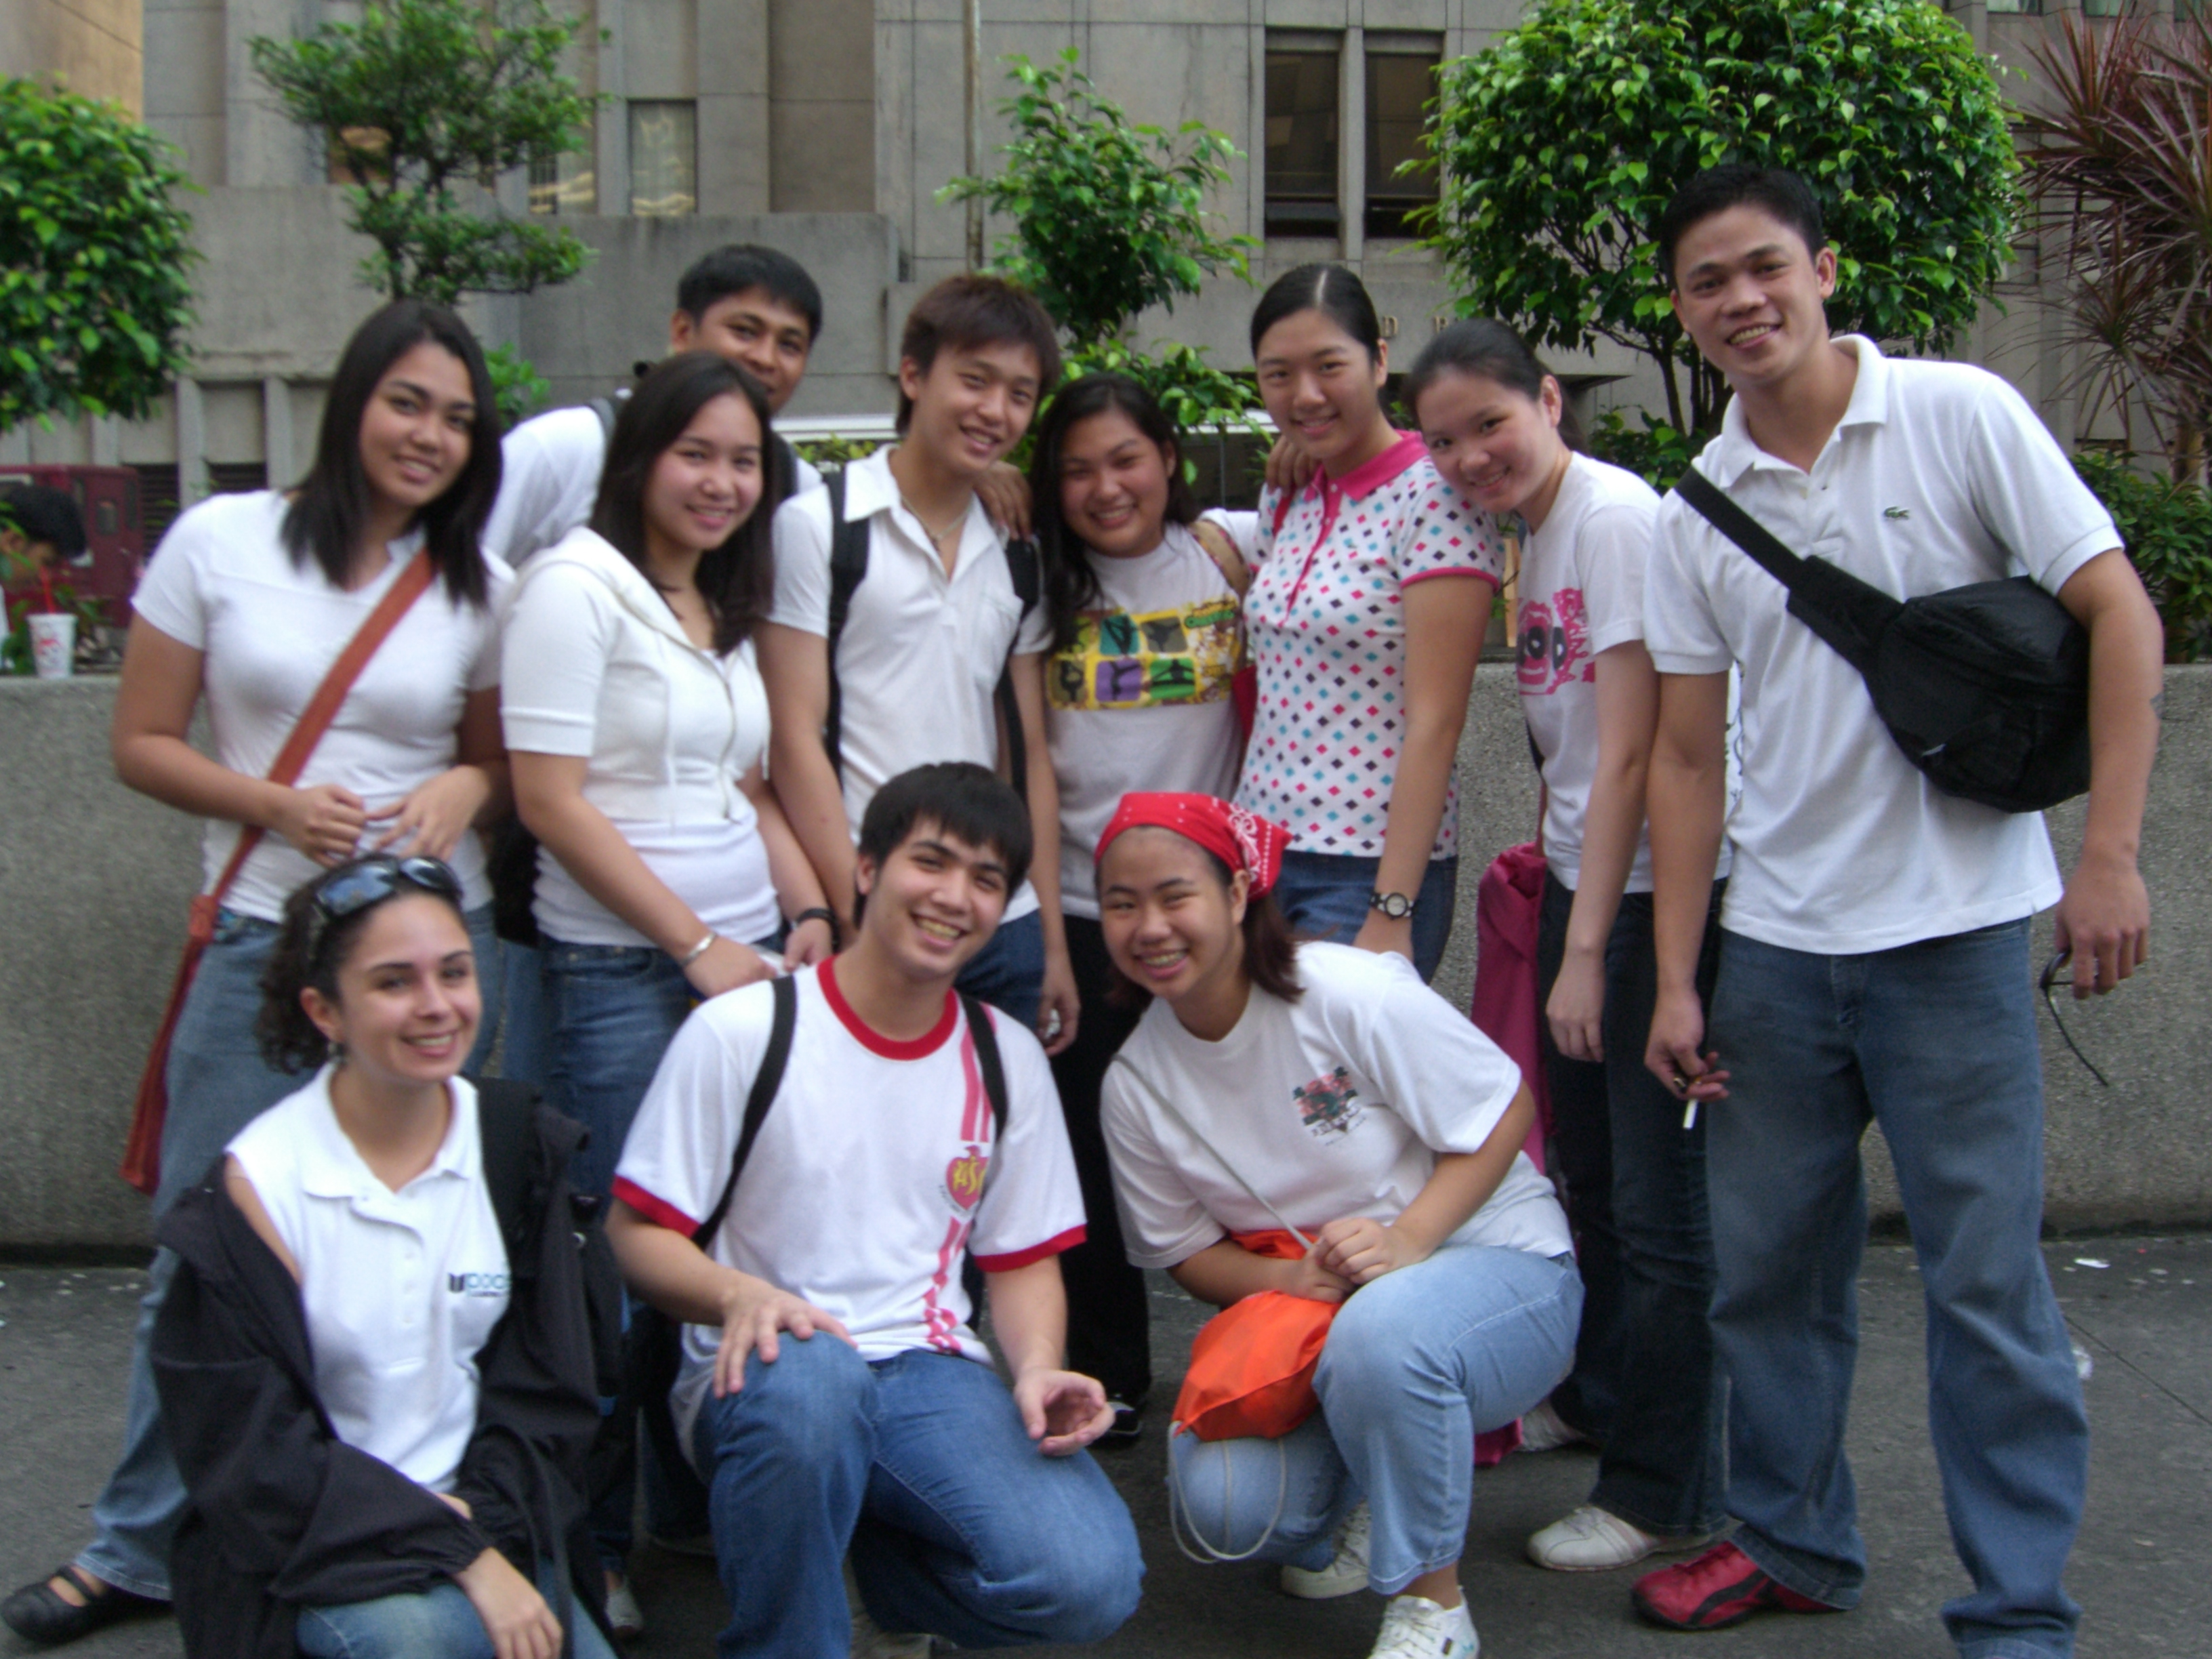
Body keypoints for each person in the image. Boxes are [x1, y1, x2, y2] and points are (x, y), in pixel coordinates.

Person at [1634, 165, 2162, 1657]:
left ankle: (2016, 1608)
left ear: (1822, 269)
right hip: (1778, 950)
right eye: (1704, 281)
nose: (1740, 300)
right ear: (1678, 308)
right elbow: (1684, 754)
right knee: (1765, 1282)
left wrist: (2107, 856)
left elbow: (2119, 610)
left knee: (1984, 1287)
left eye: (1763, 267)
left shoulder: (1958, 413)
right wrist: (1677, 975)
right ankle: (1791, 1541)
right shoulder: (1697, 508)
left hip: (1956, 936)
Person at [2, 300, 511, 1649]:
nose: (431, 435)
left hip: (428, 953)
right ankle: (136, 1544)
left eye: (460, 419)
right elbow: (140, 741)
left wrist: (464, 789)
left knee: (427, 1248)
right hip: (262, 940)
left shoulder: (477, 581)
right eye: (408, 402)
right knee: (205, 1251)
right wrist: (274, 807)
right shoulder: (220, 541)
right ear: (353, 401)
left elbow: (497, 761)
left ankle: (397, 1508)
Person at [605, 762, 1145, 1659]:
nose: (954, 897)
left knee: (1088, 1582)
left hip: (924, 1369)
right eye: (930, 862)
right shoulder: (746, 1030)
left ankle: (869, 1587)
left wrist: (1036, 1369)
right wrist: (739, 1296)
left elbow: (1021, 1262)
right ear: (866, 869)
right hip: (770, 1371)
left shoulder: (1004, 1054)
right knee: (816, 1388)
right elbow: (637, 1235)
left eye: (985, 880)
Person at [501, 349, 835, 1629]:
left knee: (716, 1241)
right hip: (624, 971)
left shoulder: (715, 604)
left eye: (744, 461)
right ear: (641, 456)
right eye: (696, 453)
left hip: (743, 962)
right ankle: (583, 1551)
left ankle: (686, 1504)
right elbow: (549, 800)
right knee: (607, 1262)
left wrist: (806, 911)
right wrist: (695, 942)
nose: (720, 481)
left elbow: (744, 790)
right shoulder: (574, 585)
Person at [1095, 792, 1579, 1659]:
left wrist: (1408, 1240)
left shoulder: (1347, 989)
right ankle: (1379, 1490)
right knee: (1227, 1509)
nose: (1150, 927)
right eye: (1122, 904)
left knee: (1385, 1331)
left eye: (1175, 896)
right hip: (1323, 1322)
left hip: (1501, 1272)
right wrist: (1290, 1278)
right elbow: (1187, 1254)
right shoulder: (1136, 1083)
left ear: (1236, 894)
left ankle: (1432, 1608)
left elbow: (1506, 1109)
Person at [1408, 319, 1732, 1572]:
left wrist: (1588, 946)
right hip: (1583, 893)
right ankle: (1600, 1397)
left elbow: (1643, 751)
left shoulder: (1613, 520)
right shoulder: (1537, 531)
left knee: (1660, 1206)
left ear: (1548, 399)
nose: (1469, 458)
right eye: (1444, 441)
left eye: (1489, 424)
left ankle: (1663, 1487)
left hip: (1646, 901)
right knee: (1588, 1180)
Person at [148, 855, 615, 1659]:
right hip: (321, 1553)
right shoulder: (257, 1192)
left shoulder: (515, 1147)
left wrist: (482, 1530)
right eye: (394, 982)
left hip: (490, 1521)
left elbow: (551, 1396)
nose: (436, 1006)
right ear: (324, 1011)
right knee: (413, 1642)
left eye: (455, 973)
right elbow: (255, 1463)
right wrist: (455, 1550)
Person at [760, 274, 1076, 1047]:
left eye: (1020, 395)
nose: (995, 411)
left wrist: (1051, 941)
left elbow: (1028, 753)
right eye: (974, 380)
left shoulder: (1019, 550)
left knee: (995, 1115)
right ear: (912, 374)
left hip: (1000, 919)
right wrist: (853, 909)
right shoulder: (821, 526)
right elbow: (792, 736)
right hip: (873, 907)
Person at [1027, 371, 1250, 1440]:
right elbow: (1029, 761)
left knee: (1240, 1139)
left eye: (1126, 459)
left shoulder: (1227, 555)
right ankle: (1108, 1372)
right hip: (1084, 906)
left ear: (1168, 455)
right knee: (1085, 1148)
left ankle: (1267, 1358)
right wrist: (1046, 935)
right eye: (1077, 470)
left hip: (1214, 913)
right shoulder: (1037, 582)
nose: (1106, 487)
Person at [1208, 264, 1502, 983]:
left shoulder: (1436, 497)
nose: (1305, 395)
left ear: (1378, 362)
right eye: (1278, 374)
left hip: (1365, 868)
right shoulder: (1290, 492)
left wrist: (1392, 908)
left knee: (1336, 1059)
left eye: (1329, 366)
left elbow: (1437, 722)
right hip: (1260, 854)